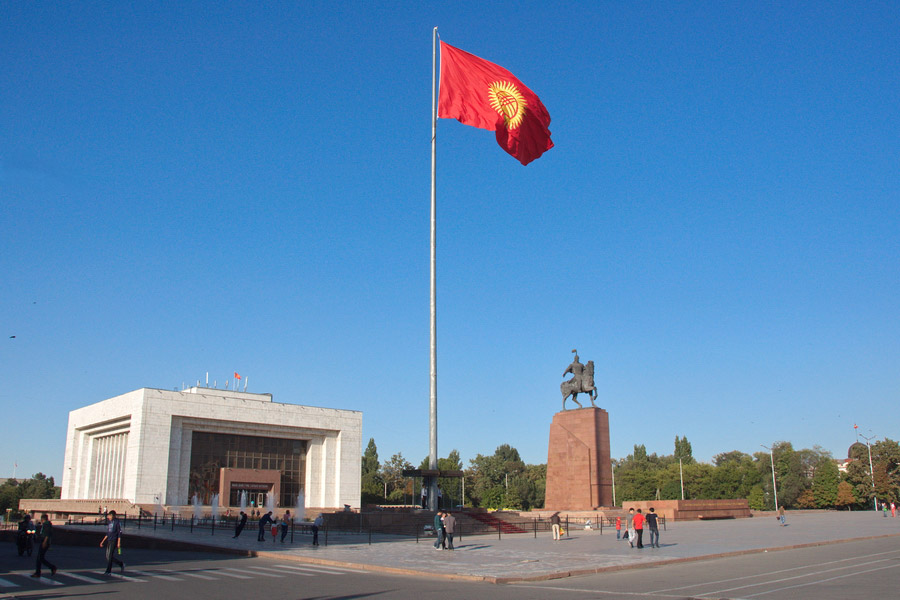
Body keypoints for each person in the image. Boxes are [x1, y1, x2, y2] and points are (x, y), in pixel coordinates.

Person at [99, 510, 125, 574]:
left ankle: (108, 571)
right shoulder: (109, 522)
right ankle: (121, 564)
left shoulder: (117, 522)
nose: (108, 517)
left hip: (114, 540)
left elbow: (119, 533)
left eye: (110, 516)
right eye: (108, 516)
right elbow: (108, 533)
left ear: (113, 516)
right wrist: (102, 541)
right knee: (108, 556)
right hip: (109, 540)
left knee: (110, 555)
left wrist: (119, 542)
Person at [31, 514, 57, 578]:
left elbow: (47, 534)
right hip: (44, 541)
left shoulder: (46, 525)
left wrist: (45, 542)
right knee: (40, 558)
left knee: (40, 558)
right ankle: (39, 572)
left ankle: (51, 567)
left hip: (45, 542)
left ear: (42, 519)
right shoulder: (47, 524)